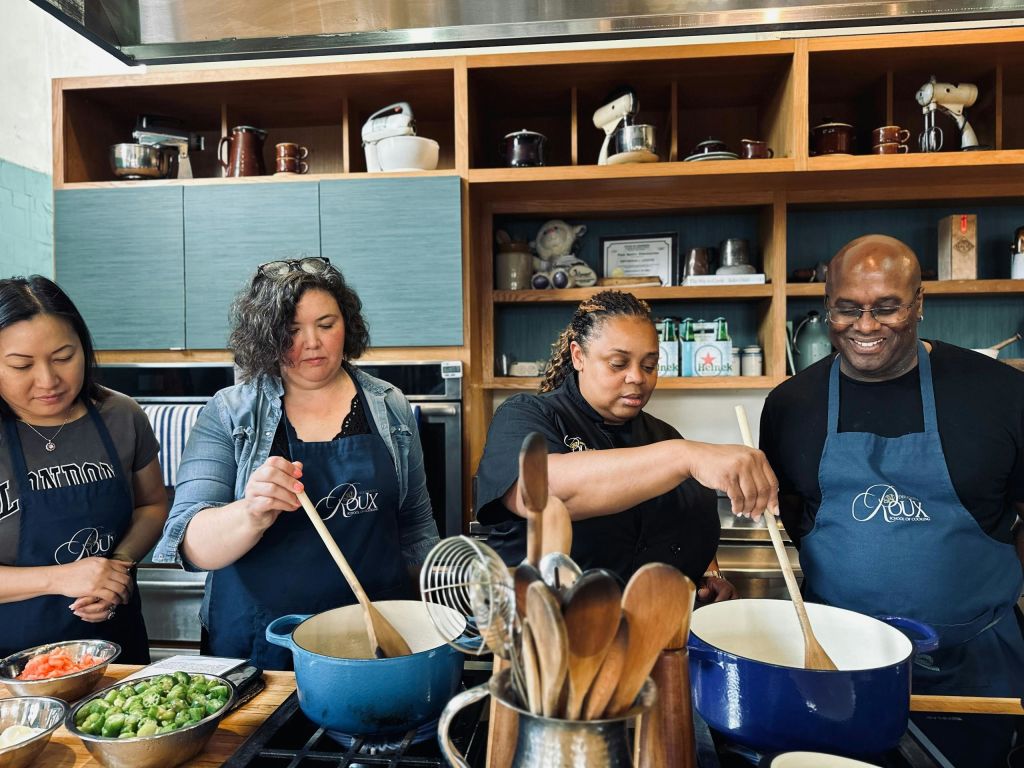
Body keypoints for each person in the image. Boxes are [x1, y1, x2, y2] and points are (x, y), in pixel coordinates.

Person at [759, 235, 1024, 767]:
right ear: (826, 303)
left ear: (919, 303)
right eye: (847, 309)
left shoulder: (1000, 394)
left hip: (976, 666)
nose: (865, 325)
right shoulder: (790, 406)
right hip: (839, 665)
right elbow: (797, 516)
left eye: (887, 307)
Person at [153, 256, 439, 670]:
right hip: (259, 643)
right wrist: (250, 512)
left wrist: (439, 608)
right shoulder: (231, 412)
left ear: (348, 324)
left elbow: (414, 528)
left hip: (373, 637)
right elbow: (191, 545)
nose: (313, 343)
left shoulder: (388, 406)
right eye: (291, 331)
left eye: (326, 325)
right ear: (266, 338)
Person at [474, 290, 778, 598]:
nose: (637, 378)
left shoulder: (663, 435)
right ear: (579, 356)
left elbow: (682, 518)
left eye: (649, 365)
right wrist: (685, 455)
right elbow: (538, 494)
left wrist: (708, 570)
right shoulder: (528, 415)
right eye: (618, 364)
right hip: (551, 635)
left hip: (654, 634)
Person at [0, 276, 167, 663]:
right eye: (22, 365)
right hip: (9, 674)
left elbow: (152, 505)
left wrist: (117, 569)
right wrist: (60, 578)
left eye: (63, 357)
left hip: (115, 653)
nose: (49, 380)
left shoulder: (121, 415)